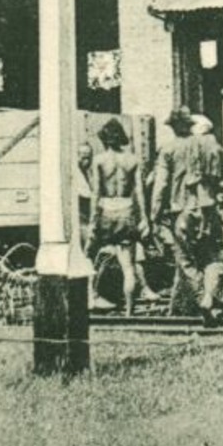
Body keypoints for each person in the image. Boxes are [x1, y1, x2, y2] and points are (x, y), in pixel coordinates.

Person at [150, 108, 223, 325]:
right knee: (214, 257)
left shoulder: (168, 149)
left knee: (186, 261)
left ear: (173, 127)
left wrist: (154, 215)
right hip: (208, 212)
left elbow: (160, 185)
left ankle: (201, 295)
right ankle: (209, 297)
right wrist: (219, 186)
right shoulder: (209, 145)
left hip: (181, 212)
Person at [89, 118, 160, 314]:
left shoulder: (99, 160)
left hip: (106, 211)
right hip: (127, 212)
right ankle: (129, 311)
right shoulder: (133, 160)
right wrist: (144, 218)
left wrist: (93, 220)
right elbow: (139, 192)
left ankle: (91, 296)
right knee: (128, 266)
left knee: (93, 255)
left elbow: (96, 193)